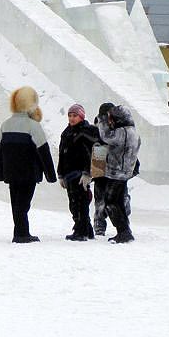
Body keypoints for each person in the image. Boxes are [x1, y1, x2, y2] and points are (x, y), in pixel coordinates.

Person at [0, 86, 56, 243]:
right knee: (23, 204)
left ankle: (20, 232)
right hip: (29, 173)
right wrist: (50, 175)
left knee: (16, 203)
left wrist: (0, 173)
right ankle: (22, 234)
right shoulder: (33, 126)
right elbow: (43, 151)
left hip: (11, 173)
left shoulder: (5, 125)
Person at [94, 105, 141, 243]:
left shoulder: (123, 132)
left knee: (111, 202)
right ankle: (125, 230)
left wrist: (102, 120)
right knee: (119, 202)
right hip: (124, 172)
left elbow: (106, 136)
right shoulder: (132, 132)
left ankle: (123, 232)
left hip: (117, 173)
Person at [57, 103, 99, 241]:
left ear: (81, 116)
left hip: (80, 173)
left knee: (80, 203)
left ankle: (81, 231)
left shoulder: (87, 131)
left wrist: (88, 173)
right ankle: (86, 229)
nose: (72, 118)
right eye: (70, 115)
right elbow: (62, 154)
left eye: (75, 115)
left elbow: (93, 153)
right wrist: (61, 174)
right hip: (69, 173)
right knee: (73, 203)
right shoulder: (66, 132)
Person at [91, 101, 115, 236]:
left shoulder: (113, 125)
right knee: (102, 198)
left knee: (100, 198)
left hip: (101, 164)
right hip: (105, 164)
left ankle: (100, 224)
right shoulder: (113, 126)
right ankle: (100, 223)